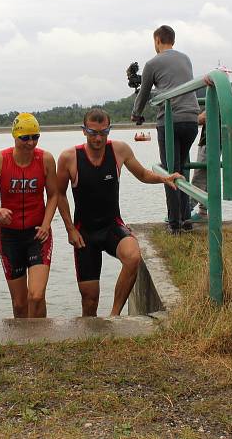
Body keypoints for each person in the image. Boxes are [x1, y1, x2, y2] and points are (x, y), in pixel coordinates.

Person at [57, 108, 182, 316]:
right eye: (93, 132)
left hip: (111, 226)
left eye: (103, 132)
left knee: (133, 257)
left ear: (109, 129)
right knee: (90, 299)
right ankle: (90, 335)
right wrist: (70, 229)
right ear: (83, 130)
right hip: (84, 233)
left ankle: (114, 317)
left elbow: (142, 174)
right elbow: (59, 195)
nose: (98, 138)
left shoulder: (119, 150)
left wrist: (164, 178)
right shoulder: (69, 157)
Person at [0, 113, 58, 318]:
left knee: (36, 296)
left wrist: (47, 224)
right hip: (10, 237)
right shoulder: (0, 159)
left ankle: (41, 338)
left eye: (35, 137)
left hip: (38, 233)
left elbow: (54, 194)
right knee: (20, 304)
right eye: (25, 138)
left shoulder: (45, 159)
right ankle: (23, 343)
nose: (31, 143)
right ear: (15, 136)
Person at [131, 25, 199, 234]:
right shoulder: (186, 58)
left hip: (170, 120)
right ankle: (186, 218)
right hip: (191, 119)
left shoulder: (152, 63)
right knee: (182, 167)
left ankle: (174, 223)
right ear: (173, 41)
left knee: (170, 171)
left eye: (154, 42)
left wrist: (136, 114)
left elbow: (143, 94)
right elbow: (173, 84)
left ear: (158, 40)